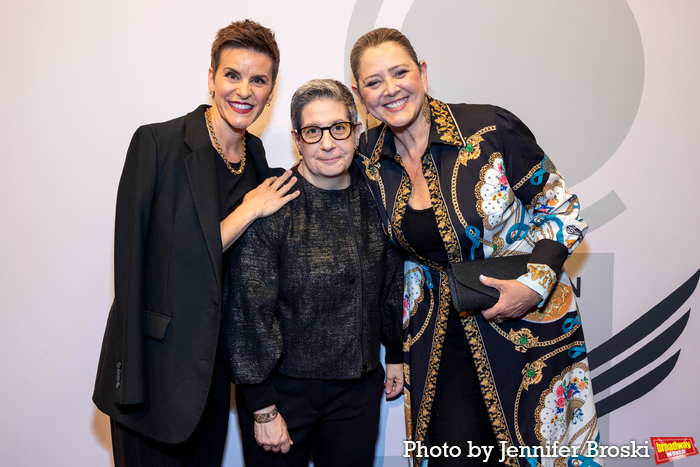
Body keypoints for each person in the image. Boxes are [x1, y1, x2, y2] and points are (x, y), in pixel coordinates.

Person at [350, 28, 603, 467]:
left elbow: (561, 207)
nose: (390, 90)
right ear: (360, 94)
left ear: (423, 73)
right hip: (436, 344)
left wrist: (535, 283)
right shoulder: (368, 156)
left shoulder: (489, 128)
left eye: (400, 72)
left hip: (529, 330)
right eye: (374, 82)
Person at [92, 20, 299, 466]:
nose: (244, 91)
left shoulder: (257, 156)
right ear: (210, 77)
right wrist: (247, 211)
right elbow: (137, 263)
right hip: (154, 375)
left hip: (214, 378)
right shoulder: (157, 143)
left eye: (258, 80)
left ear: (271, 90)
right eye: (232, 75)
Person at [220, 79, 404, 467]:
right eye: (312, 132)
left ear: (355, 132)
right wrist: (262, 408)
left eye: (338, 128)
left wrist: (397, 354)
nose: (327, 143)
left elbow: (391, 283)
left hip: (358, 391)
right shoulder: (273, 203)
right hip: (284, 394)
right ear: (296, 139)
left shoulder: (378, 198)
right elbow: (246, 312)